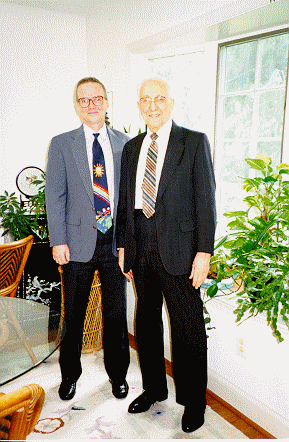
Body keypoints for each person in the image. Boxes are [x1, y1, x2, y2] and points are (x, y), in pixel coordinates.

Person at [116, 78, 216, 433]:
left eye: (159, 99)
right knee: (145, 324)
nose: (153, 106)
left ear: (171, 103)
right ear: (139, 106)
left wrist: (204, 252)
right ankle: (154, 388)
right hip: (140, 251)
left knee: (188, 328)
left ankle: (193, 402)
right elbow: (125, 203)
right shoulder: (131, 148)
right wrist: (123, 246)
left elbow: (206, 200)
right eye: (146, 100)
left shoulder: (193, 142)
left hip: (182, 252)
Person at [46, 77, 130, 401]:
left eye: (97, 98)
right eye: (84, 100)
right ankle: (70, 375)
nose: (91, 104)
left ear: (107, 102)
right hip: (76, 244)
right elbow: (55, 196)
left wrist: (128, 244)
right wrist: (58, 241)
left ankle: (118, 375)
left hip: (114, 246)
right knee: (74, 317)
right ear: (77, 105)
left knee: (115, 316)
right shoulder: (61, 144)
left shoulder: (126, 143)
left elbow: (129, 198)